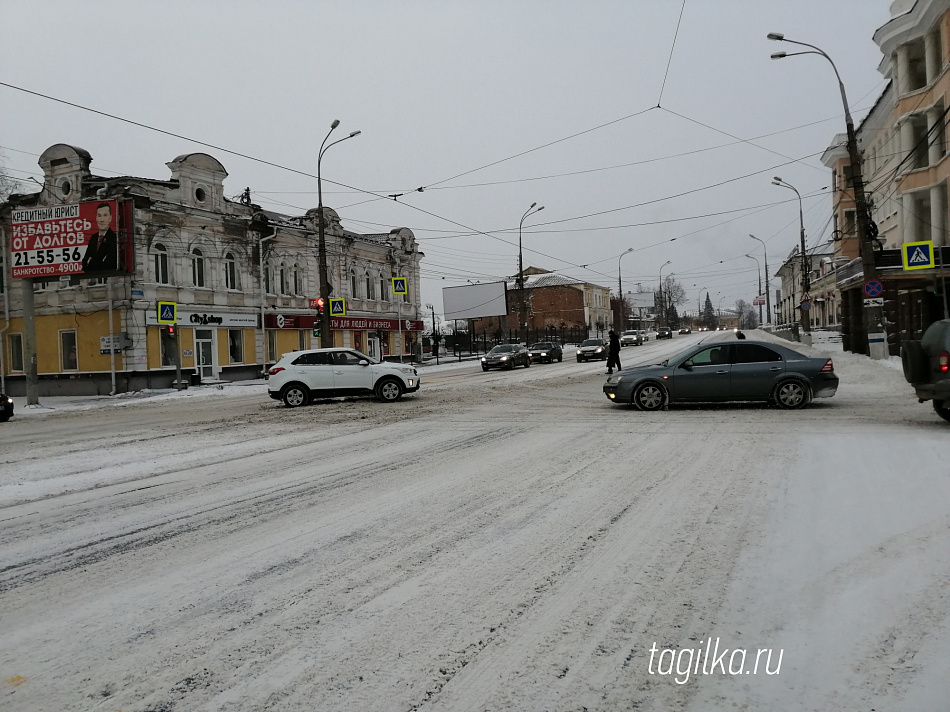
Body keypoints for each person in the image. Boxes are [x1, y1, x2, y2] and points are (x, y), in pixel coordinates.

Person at [81, 202, 118, 273]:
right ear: (96, 218)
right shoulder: (93, 237)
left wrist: (92, 262)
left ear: (110, 218)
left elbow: (109, 264)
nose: (102, 220)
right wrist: (99, 262)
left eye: (105, 215)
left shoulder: (114, 238)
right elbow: (84, 261)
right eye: (99, 215)